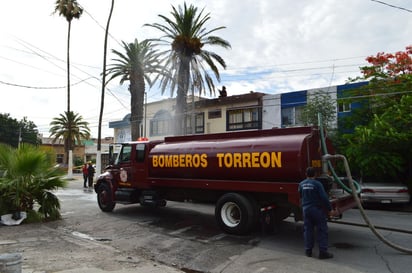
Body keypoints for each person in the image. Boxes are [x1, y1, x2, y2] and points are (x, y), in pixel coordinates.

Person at [298, 167, 336, 259]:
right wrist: (330, 209)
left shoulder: (301, 184)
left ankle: (308, 251)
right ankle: (323, 252)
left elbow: (300, 196)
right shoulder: (317, 184)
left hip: (306, 209)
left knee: (308, 230)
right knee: (322, 230)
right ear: (315, 174)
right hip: (316, 210)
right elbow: (324, 197)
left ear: (306, 174)